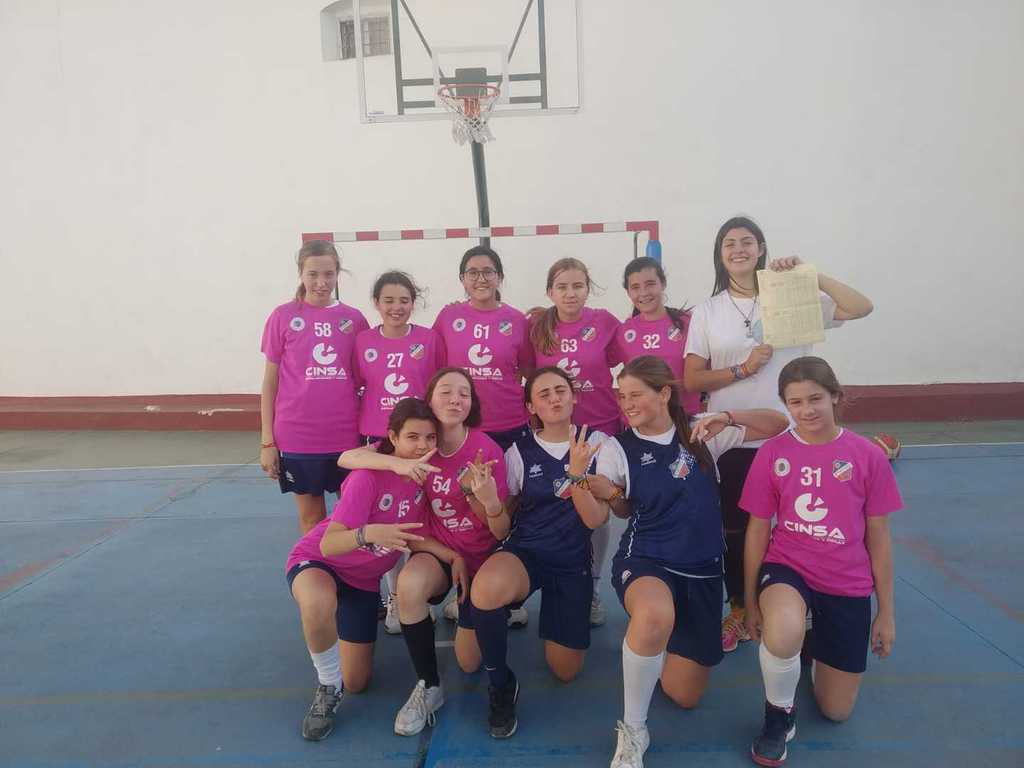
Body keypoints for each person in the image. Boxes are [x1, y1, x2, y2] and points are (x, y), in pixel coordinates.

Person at [683, 216, 874, 653]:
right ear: (720, 254)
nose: (738, 249)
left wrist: (810, 275)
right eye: (729, 243)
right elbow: (692, 379)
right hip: (735, 438)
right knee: (736, 530)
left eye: (747, 241)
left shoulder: (791, 294)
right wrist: (741, 369)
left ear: (761, 249)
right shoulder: (709, 311)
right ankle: (740, 607)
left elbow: (861, 307)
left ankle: (799, 603)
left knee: (801, 527)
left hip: (795, 437)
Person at [590, 356, 789, 768]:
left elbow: (778, 424)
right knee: (653, 614)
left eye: (635, 395)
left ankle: (654, 645)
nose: (626, 404)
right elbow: (621, 510)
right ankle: (633, 729)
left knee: (685, 695)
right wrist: (609, 493)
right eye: (621, 396)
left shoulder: (702, 431)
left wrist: (727, 417)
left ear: (664, 393)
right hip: (646, 557)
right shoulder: (616, 447)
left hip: (702, 570)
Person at [740, 356, 901, 766]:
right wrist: (749, 601)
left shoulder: (867, 456)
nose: (806, 410)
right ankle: (778, 717)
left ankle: (809, 642)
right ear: (785, 405)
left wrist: (885, 613)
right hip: (788, 567)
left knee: (835, 711)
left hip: (846, 580)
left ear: (835, 397)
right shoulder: (773, 453)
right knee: (783, 630)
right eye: (795, 402)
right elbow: (758, 529)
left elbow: (879, 538)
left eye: (815, 399)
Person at [338, 367, 515, 737]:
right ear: (430, 400)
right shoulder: (415, 445)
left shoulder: (486, 450)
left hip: (483, 556)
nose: (455, 399)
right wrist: (398, 463)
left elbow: (501, 531)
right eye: (445, 391)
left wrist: (484, 499)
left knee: (468, 662)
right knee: (409, 585)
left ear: (472, 403)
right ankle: (429, 685)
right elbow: (347, 458)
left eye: (463, 393)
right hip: (438, 549)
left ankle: (483, 607)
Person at [283, 398, 436, 741]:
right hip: (320, 561)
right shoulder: (367, 477)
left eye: (430, 437)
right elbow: (328, 545)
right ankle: (327, 686)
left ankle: (334, 626)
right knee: (318, 602)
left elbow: (420, 536)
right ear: (393, 438)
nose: (422, 446)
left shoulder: (424, 478)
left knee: (357, 681)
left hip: (364, 581)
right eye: (413, 437)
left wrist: (454, 557)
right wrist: (368, 533)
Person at [470, 366, 609, 739]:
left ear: (574, 396)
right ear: (531, 406)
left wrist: (577, 476)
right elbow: (502, 527)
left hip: (572, 561)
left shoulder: (599, 444)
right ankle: (501, 684)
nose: (554, 398)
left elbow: (595, 520)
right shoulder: (519, 452)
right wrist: (487, 502)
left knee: (565, 671)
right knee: (485, 590)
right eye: (543, 394)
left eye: (560, 390)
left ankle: (560, 609)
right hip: (527, 551)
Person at [530, 257, 623, 627]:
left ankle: (593, 587)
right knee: (556, 505)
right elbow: (531, 375)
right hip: (553, 432)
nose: (570, 293)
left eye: (577, 285)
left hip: (598, 428)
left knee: (597, 510)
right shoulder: (537, 327)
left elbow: (627, 361)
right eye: (562, 287)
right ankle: (548, 581)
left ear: (588, 288)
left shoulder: (605, 323)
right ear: (550, 291)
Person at [355, 270, 445, 634]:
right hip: (380, 441)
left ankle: (423, 591)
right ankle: (394, 595)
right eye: (388, 300)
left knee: (420, 517)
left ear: (413, 303)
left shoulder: (429, 339)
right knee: (387, 518)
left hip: (420, 442)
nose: (396, 307)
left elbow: (439, 386)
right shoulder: (362, 341)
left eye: (404, 300)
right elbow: (356, 386)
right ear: (376, 303)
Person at [260, 240, 369, 533]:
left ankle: (351, 565)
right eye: (313, 274)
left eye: (329, 274)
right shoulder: (283, 316)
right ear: (301, 273)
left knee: (353, 517)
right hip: (298, 436)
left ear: (338, 274)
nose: (321, 282)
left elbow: (365, 377)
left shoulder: (354, 319)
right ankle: (316, 562)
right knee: (312, 520)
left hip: (346, 434)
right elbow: (270, 383)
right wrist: (267, 442)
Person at [432, 246, 535, 452]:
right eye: (473, 273)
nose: (481, 279)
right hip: (461, 423)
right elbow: (435, 367)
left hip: (509, 423)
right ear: (462, 279)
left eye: (488, 272)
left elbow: (529, 370)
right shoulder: (448, 316)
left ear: (499, 277)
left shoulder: (517, 320)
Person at [618, 256, 701, 416]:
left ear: (663, 284)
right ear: (628, 292)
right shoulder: (623, 331)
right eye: (635, 287)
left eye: (650, 284)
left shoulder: (690, 323)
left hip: (684, 418)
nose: (643, 293)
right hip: (640, 421)